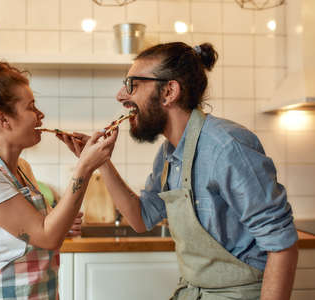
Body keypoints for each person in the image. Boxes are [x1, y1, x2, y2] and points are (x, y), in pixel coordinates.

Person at [59, 42, 299, 300]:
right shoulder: (168, 154)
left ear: (169, 91)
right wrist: (101, 162)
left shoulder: (227, 147)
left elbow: (282, 244)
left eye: (132, 85)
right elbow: (141, 219)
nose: (121, 95)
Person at [0, 57, 118, 300]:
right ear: (3, 119)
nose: (40, 114)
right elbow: (47, 236)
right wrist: (84, 167)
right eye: (31, 107)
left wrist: (64, 222)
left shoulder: (21, 167)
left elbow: (42, 227)